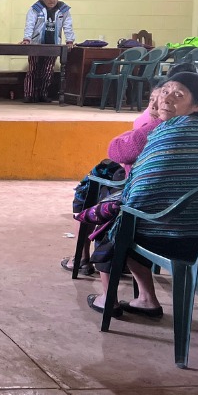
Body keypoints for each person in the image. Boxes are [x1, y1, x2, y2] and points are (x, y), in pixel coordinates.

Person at [83, 71, 198, 318]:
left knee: (117, 220)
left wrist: (122, 208)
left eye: (178, 95)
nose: (167, 99)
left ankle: (110, 298)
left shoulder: (164, 132)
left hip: (172, 236)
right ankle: (145, 299)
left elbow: (140, 191)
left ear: (196, 106)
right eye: (165, 91)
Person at [61, 84, 164, 276]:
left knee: (95, 190)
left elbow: (119, 150)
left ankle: (85, 258)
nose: (154, 106)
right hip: (157, 192)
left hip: (140, 189)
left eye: (162, 101)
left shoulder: (158, 127)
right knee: (101, 174)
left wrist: (130, 134)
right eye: (152, 100)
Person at [21, 0, 75, 102]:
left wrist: (69, 41)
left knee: (48, 71)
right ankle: (29, 94)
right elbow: (30, 24)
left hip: (53, 46)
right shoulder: (36, 8)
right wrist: (27, 39)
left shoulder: (63, 9)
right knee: (33, 70)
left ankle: (43, 94)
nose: (52, 0)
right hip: (36, 45)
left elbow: (68, 25)